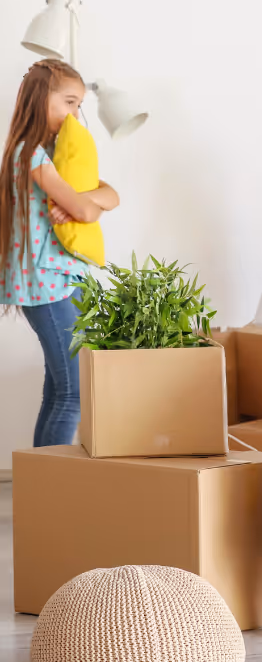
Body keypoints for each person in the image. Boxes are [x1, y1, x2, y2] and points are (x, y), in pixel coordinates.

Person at [1, 59, 120, 446]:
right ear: (40, 98)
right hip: (47, 285)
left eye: (78, 105)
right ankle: (49, 492)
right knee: (74, 393)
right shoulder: (31, 153)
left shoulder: (58, 155)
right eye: (68, 102)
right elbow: (89, 211)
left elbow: (112, 196)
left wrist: (79, 199)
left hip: (64, 279)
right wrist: (83, 204)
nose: (74, 114)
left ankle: (42, 489)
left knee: (59, 391)